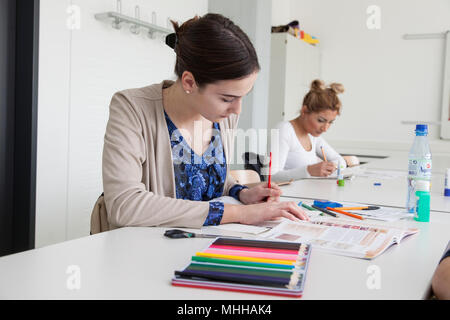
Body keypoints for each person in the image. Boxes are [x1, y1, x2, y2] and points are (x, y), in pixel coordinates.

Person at [102, 13, 309, 230]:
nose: (237, 109)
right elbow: (124, 205)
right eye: (227, 98)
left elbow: (211, 175)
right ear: (189, 82)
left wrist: (242, 193)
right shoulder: (131, 108)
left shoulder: (222, 115)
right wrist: (239, 213)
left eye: (242, 97)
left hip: (206, 248)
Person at [271, 79, 351, 181]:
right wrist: (308, 171)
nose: (325, 129)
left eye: (330, 122)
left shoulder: (312, 135)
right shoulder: (284, 130)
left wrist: (332, 167)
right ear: (304, 111)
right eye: (321, 120)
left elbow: (340, 161)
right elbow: (271, 177)